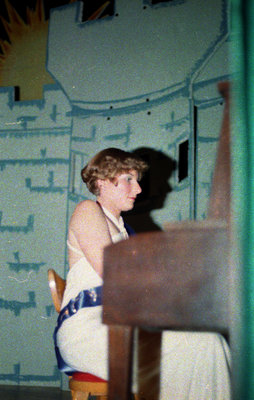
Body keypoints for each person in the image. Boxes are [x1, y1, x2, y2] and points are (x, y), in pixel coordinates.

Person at [55, 147, 231, 399]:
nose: (138, 189)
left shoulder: (124, 230)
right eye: (129, 179)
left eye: (137, 180)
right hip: (87, 332)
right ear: (102, 181)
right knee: (202, 345)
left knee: (210, 342)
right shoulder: (87, 210)